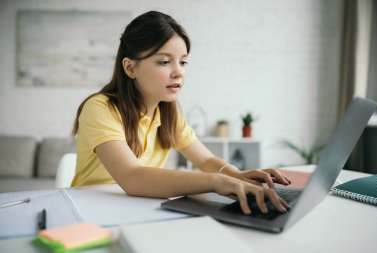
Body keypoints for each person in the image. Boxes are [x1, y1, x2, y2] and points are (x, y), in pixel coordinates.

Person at [71, 10, 291, 215]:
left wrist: (236, 175)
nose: (178, 72)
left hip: (139, 208)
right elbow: (132, 177)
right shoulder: (100, 108)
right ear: (130, 68)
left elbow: (206, 160)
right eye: (165, 62)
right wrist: (215, 181)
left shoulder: (169, 113)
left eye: (183, 62)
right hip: (89, 211)